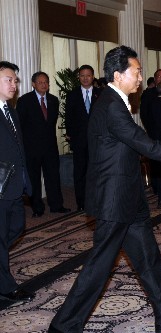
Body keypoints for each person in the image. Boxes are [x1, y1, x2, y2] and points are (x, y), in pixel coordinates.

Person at [47, 46, 161, 333]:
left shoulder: (115, 101)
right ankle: (63, 325)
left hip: (129, 197)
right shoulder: (111, 106)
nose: (141, 78)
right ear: (118, 75)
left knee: (148, 259)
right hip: (114, 200)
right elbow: (146, 145)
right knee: (99, 266)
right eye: (137, 72)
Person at [0, 61, 34, 303]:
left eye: (15, 80)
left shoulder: (10, 109)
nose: (14, 84)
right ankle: (6, 287)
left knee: (16, 228)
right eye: (9, 80)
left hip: (13, 184)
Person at [16, 71, 70, 218]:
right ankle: (37, 208)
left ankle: (56, 205)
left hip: (50, 148)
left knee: (53, 177)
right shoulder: (24, 101)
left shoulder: (53, 100)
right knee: (34, 179)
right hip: (31, 148)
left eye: (46, 82)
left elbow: (50, 124)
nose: (44, 84)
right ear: (33, 84)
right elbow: (19, 126)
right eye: (40, 82)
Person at [65, 65, 102, 211]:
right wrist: (71, 135)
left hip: (98, 141)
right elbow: (69, 118)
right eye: (82, 75)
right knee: (79, 173)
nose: (85, 78)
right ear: (78, 77)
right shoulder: (72, 95)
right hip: (79, 141)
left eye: (88, 75)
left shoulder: (102, 93)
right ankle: (81, 203)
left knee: (97, 172)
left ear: (93, 77)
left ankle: (98, 201)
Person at [140, 68, 161, 136]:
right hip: (155, 132)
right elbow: (144, 113)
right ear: (155, 80)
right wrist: (150, 129)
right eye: (159, 77)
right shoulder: (148, 94)